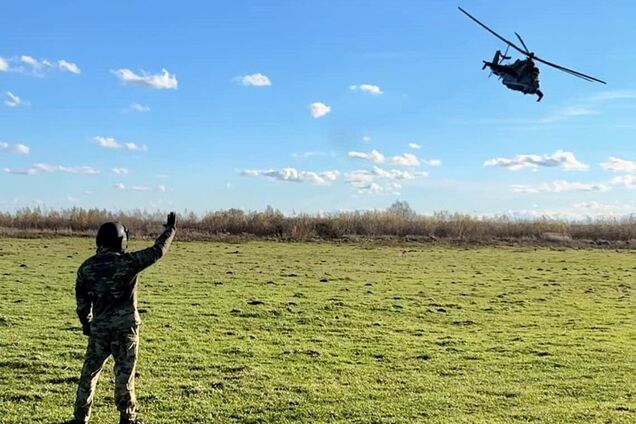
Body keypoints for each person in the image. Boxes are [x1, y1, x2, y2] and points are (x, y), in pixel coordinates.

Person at [68, 212, 177, 424]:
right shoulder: (128, 263)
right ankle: (127, 418)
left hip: (99, 330)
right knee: (124, 375)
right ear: (121, 242)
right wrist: (170, 231)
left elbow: (82, 304)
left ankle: (80, 418)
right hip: (126, 330)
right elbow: (157, 251)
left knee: (89, 374)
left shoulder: (86, 268)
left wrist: (86, 323)